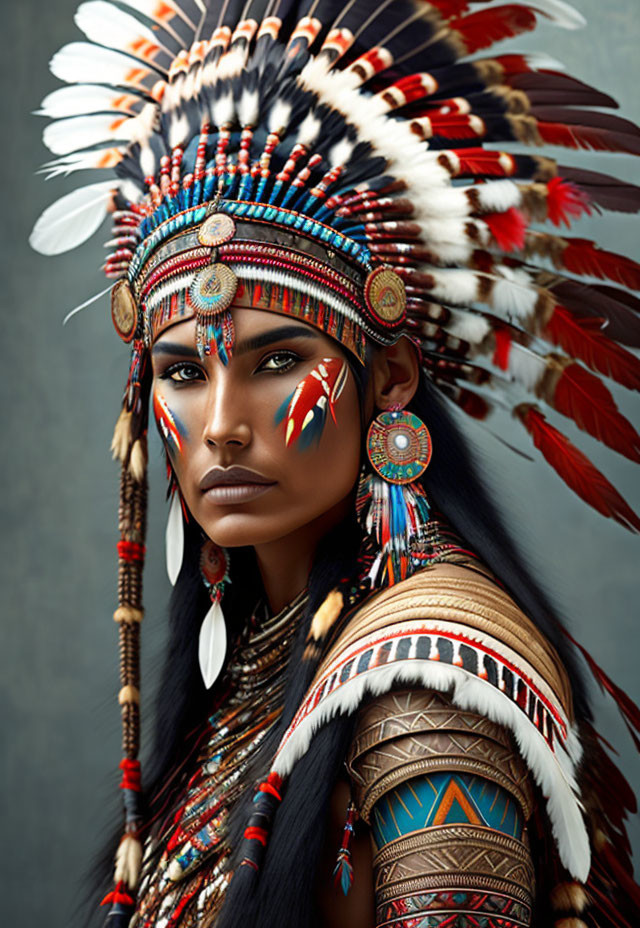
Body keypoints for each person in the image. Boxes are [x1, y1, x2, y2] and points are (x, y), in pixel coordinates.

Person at [30, 1, 640, 926]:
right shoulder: (254, 666)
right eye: (184, 373)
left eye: (278, 360)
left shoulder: (428, 702)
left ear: (387, 376)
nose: (223, 426)